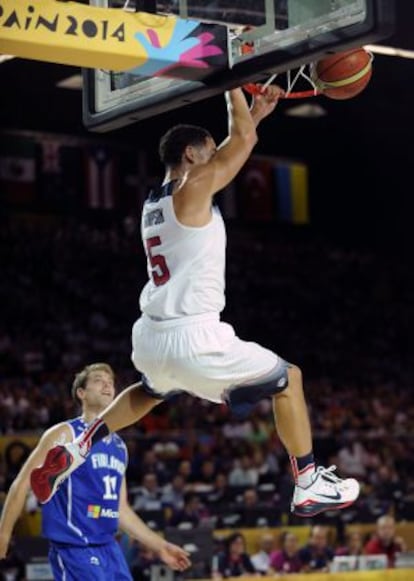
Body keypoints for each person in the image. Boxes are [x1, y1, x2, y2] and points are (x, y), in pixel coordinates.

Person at [30, 86, 360, 518]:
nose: (215, 159)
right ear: (190, 154)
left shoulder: (156, 201)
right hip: (194, 336)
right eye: (208, 151)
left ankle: (79, 445)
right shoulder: (195, 185)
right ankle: (309, 482)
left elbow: (235, 143)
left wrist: (255, 112)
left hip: (151, 337)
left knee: (151, 390)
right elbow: (242, 142)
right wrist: (234, 83)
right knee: (290, 379)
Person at [0, 363, 191, 580]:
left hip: (110, 549)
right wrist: (3, 535)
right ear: (81, 393)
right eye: (99, 380)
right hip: (75, 549)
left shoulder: (120, 447)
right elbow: (22, 484)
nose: (108, 385)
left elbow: (121, 511)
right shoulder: (65, 433)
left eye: (111, 382)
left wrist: (160, 545)